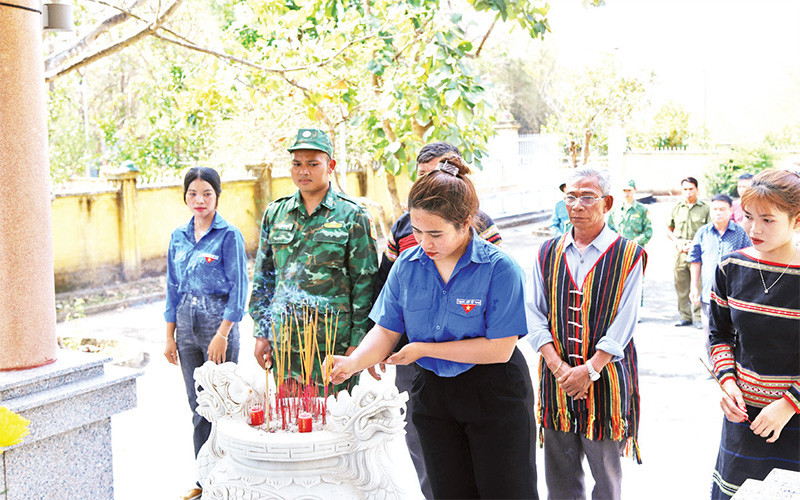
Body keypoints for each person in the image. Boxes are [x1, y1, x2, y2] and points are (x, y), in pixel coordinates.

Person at [328, 154, 538, 499]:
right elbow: (386, 330)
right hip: (434, 395)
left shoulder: (500, 269)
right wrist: (353, 363)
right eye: (417, 231)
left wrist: (423, 349)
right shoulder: (407, 265)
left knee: (506, 491)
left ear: (465, 223)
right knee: (448, 492)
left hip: (494, 391)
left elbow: (500, 349)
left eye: (436, 234)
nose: (425, 243)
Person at [372, 141, 502, 499]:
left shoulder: (479, 226)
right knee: (424, 443)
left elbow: (491, 292)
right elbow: (385, 285)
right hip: (411, 354)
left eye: (439, 173)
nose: (425, 241)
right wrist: (376, 346)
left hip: (467, 357)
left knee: (477, 455)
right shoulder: (404, 227)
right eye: (423, 176)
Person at [526, 167, 645, 500]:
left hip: (606, 381)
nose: (577, 205)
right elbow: (533, 313)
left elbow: (625, 322)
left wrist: (590, 370)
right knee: (559, 478)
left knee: (606, 478)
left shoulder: (629, 254)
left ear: (607, 203)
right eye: (571, 197)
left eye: (588, 197)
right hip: (557, 382)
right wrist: (559, 368)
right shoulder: (546, 252)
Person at [249, 128, 378, 392]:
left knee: (334, 413)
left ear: (330, 166)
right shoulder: (276, 214)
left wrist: (358, 342)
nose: (303, 171)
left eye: (312, 164)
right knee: (291, 413)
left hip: (333, 343)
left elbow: (365, 283)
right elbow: (264, 277)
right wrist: (261, 332)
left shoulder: (352, 215)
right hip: (285, 341)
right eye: (296, 164)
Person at [709, 169, 800, 499]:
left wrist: (789, 404)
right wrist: (728, 383)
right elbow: (719, 335)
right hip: (743, 419)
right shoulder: (730, 267)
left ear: (797, 220)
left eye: (767, 220)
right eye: (748, 217)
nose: (754, 229)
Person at [163, 167, 249, 500]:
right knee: (198, 406)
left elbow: (239, 288)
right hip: (185, 324)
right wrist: (169, 336)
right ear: (185, 197)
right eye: (193, 194)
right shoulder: (178, 236)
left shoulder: (229, 235)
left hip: (218, 324)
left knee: (224, 405)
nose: (199, 200)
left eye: (207, 193)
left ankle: (231, 477)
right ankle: (204, 479)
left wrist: (223, 333)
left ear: (217, 196)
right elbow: (172, 287)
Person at [688, 193, 750, 352]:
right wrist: (694, 287)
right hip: (709, 294)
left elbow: (749, 261)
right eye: (714, 209)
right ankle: (713, 365)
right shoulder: (703, 232)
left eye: (722, 209)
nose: (718, 213)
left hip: (734, 294)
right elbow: (695, 261)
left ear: (731, 211)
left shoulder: (740, 233)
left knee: (734, 335)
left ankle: (732, 365)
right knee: (709, 335)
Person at [667, 176, 710, 327]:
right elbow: (669, 229)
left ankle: (698, 317)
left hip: (698, 250)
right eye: (685, 189)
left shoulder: (705, 208)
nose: (688, 192)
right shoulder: (677, 207)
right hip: (680, 250)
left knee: (698, 283)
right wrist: (677, 242)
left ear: (697, 189)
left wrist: (696, 245)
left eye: (691, 189)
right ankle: (685, 316)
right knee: (681, 284)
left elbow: (709, 230)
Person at [607, 179, 652, 248]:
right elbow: (609, 229)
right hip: (618, 249)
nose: (627, 193)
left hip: (636, 249)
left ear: (635, 190)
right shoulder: (615, 210)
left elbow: (648, 232)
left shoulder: (642, 210)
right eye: (625, 190)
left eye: (629, 190)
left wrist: (634, 243)